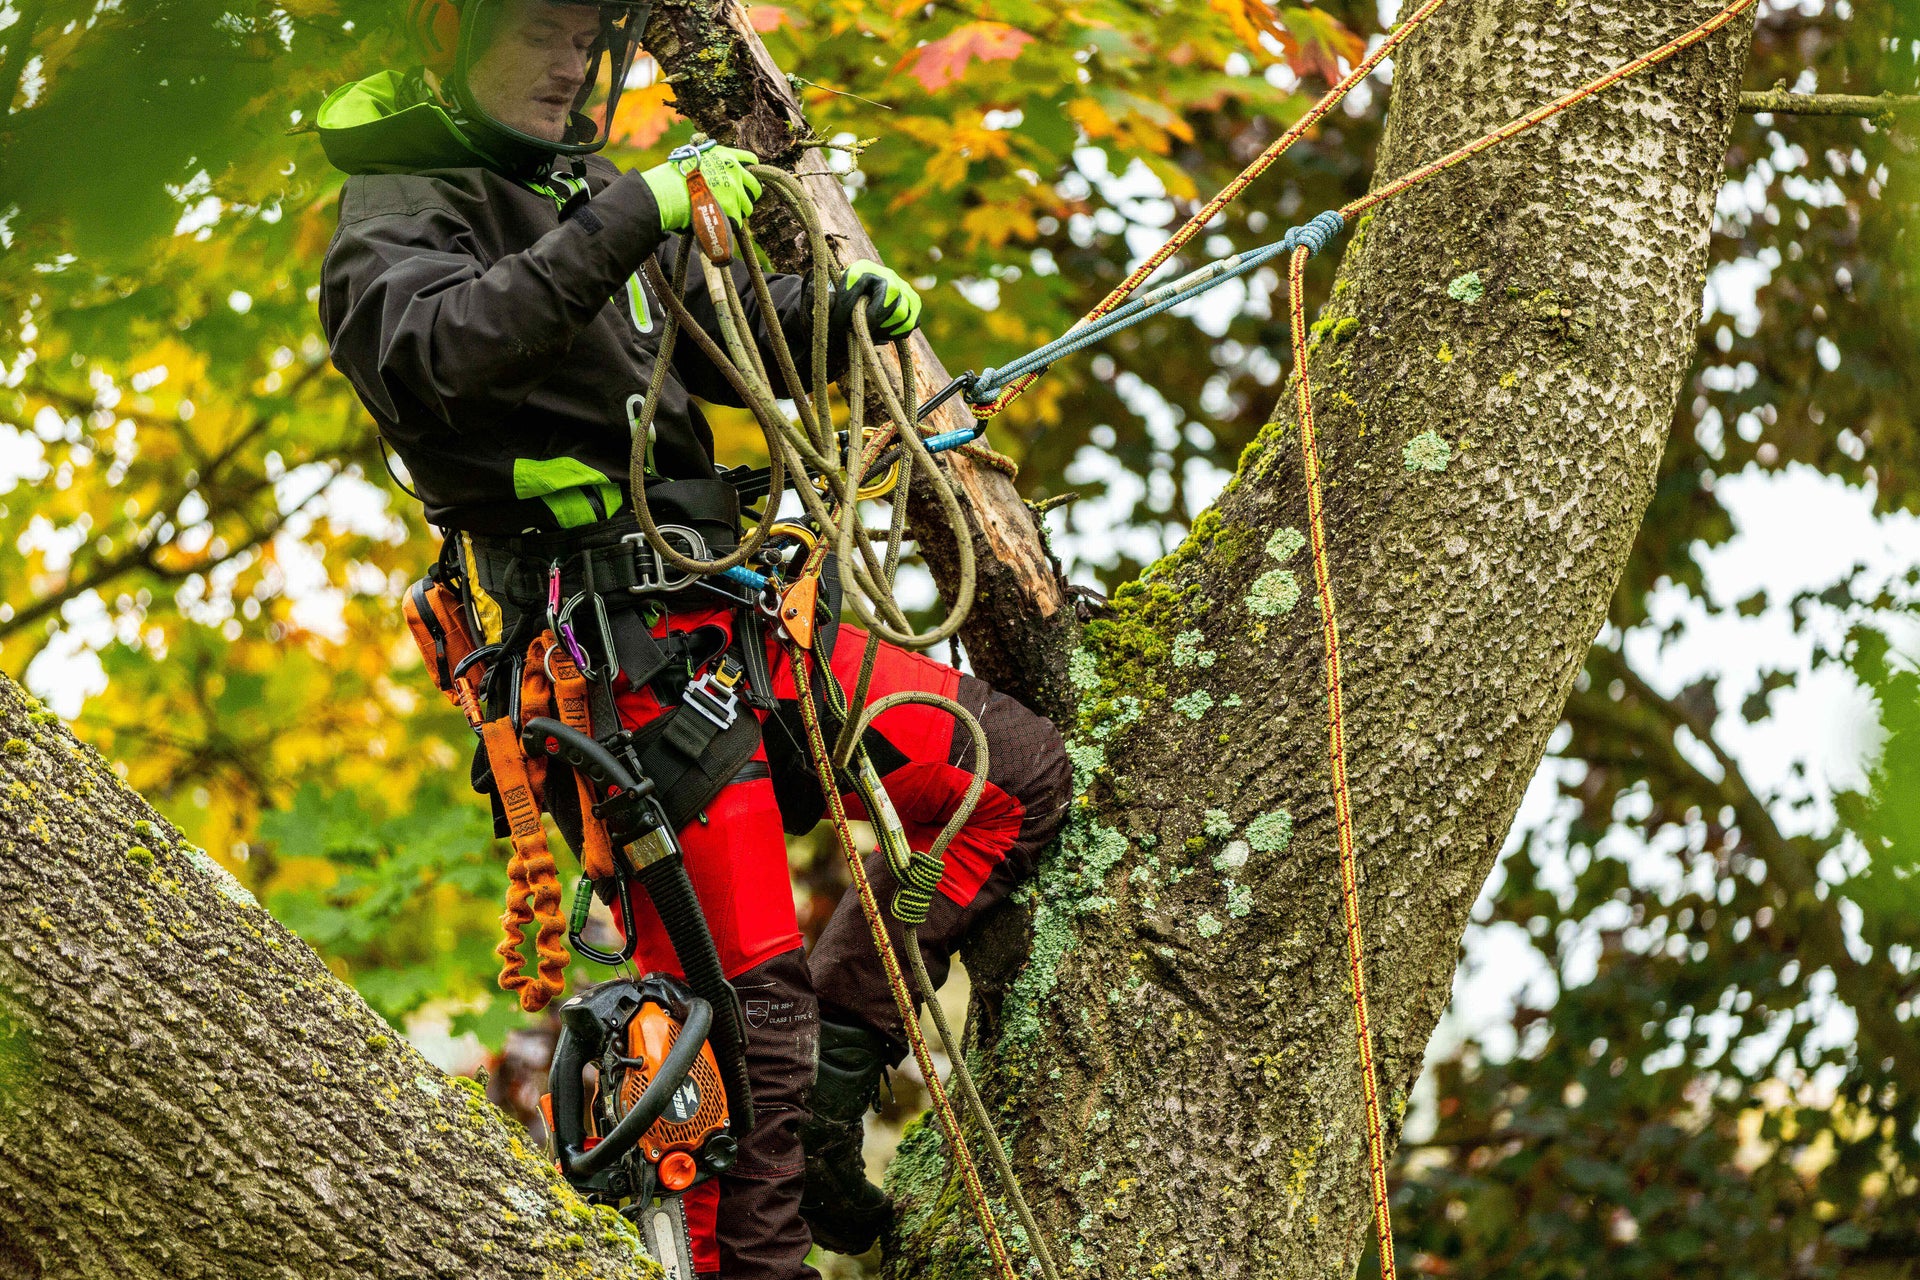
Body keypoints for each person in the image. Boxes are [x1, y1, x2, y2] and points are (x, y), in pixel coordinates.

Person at [312, 3, 1071, 1277]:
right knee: (738, 1028)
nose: (571, 65)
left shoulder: (588, 189)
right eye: (541, 35)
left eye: (584, 41)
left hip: (737, 611)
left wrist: (836, 315)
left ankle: (842, 1057)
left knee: (1002, 777)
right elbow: (439, 349)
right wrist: (640, 210)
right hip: (613, 666)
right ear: (448, 34)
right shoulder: (397, 206)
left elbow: (712, 338)